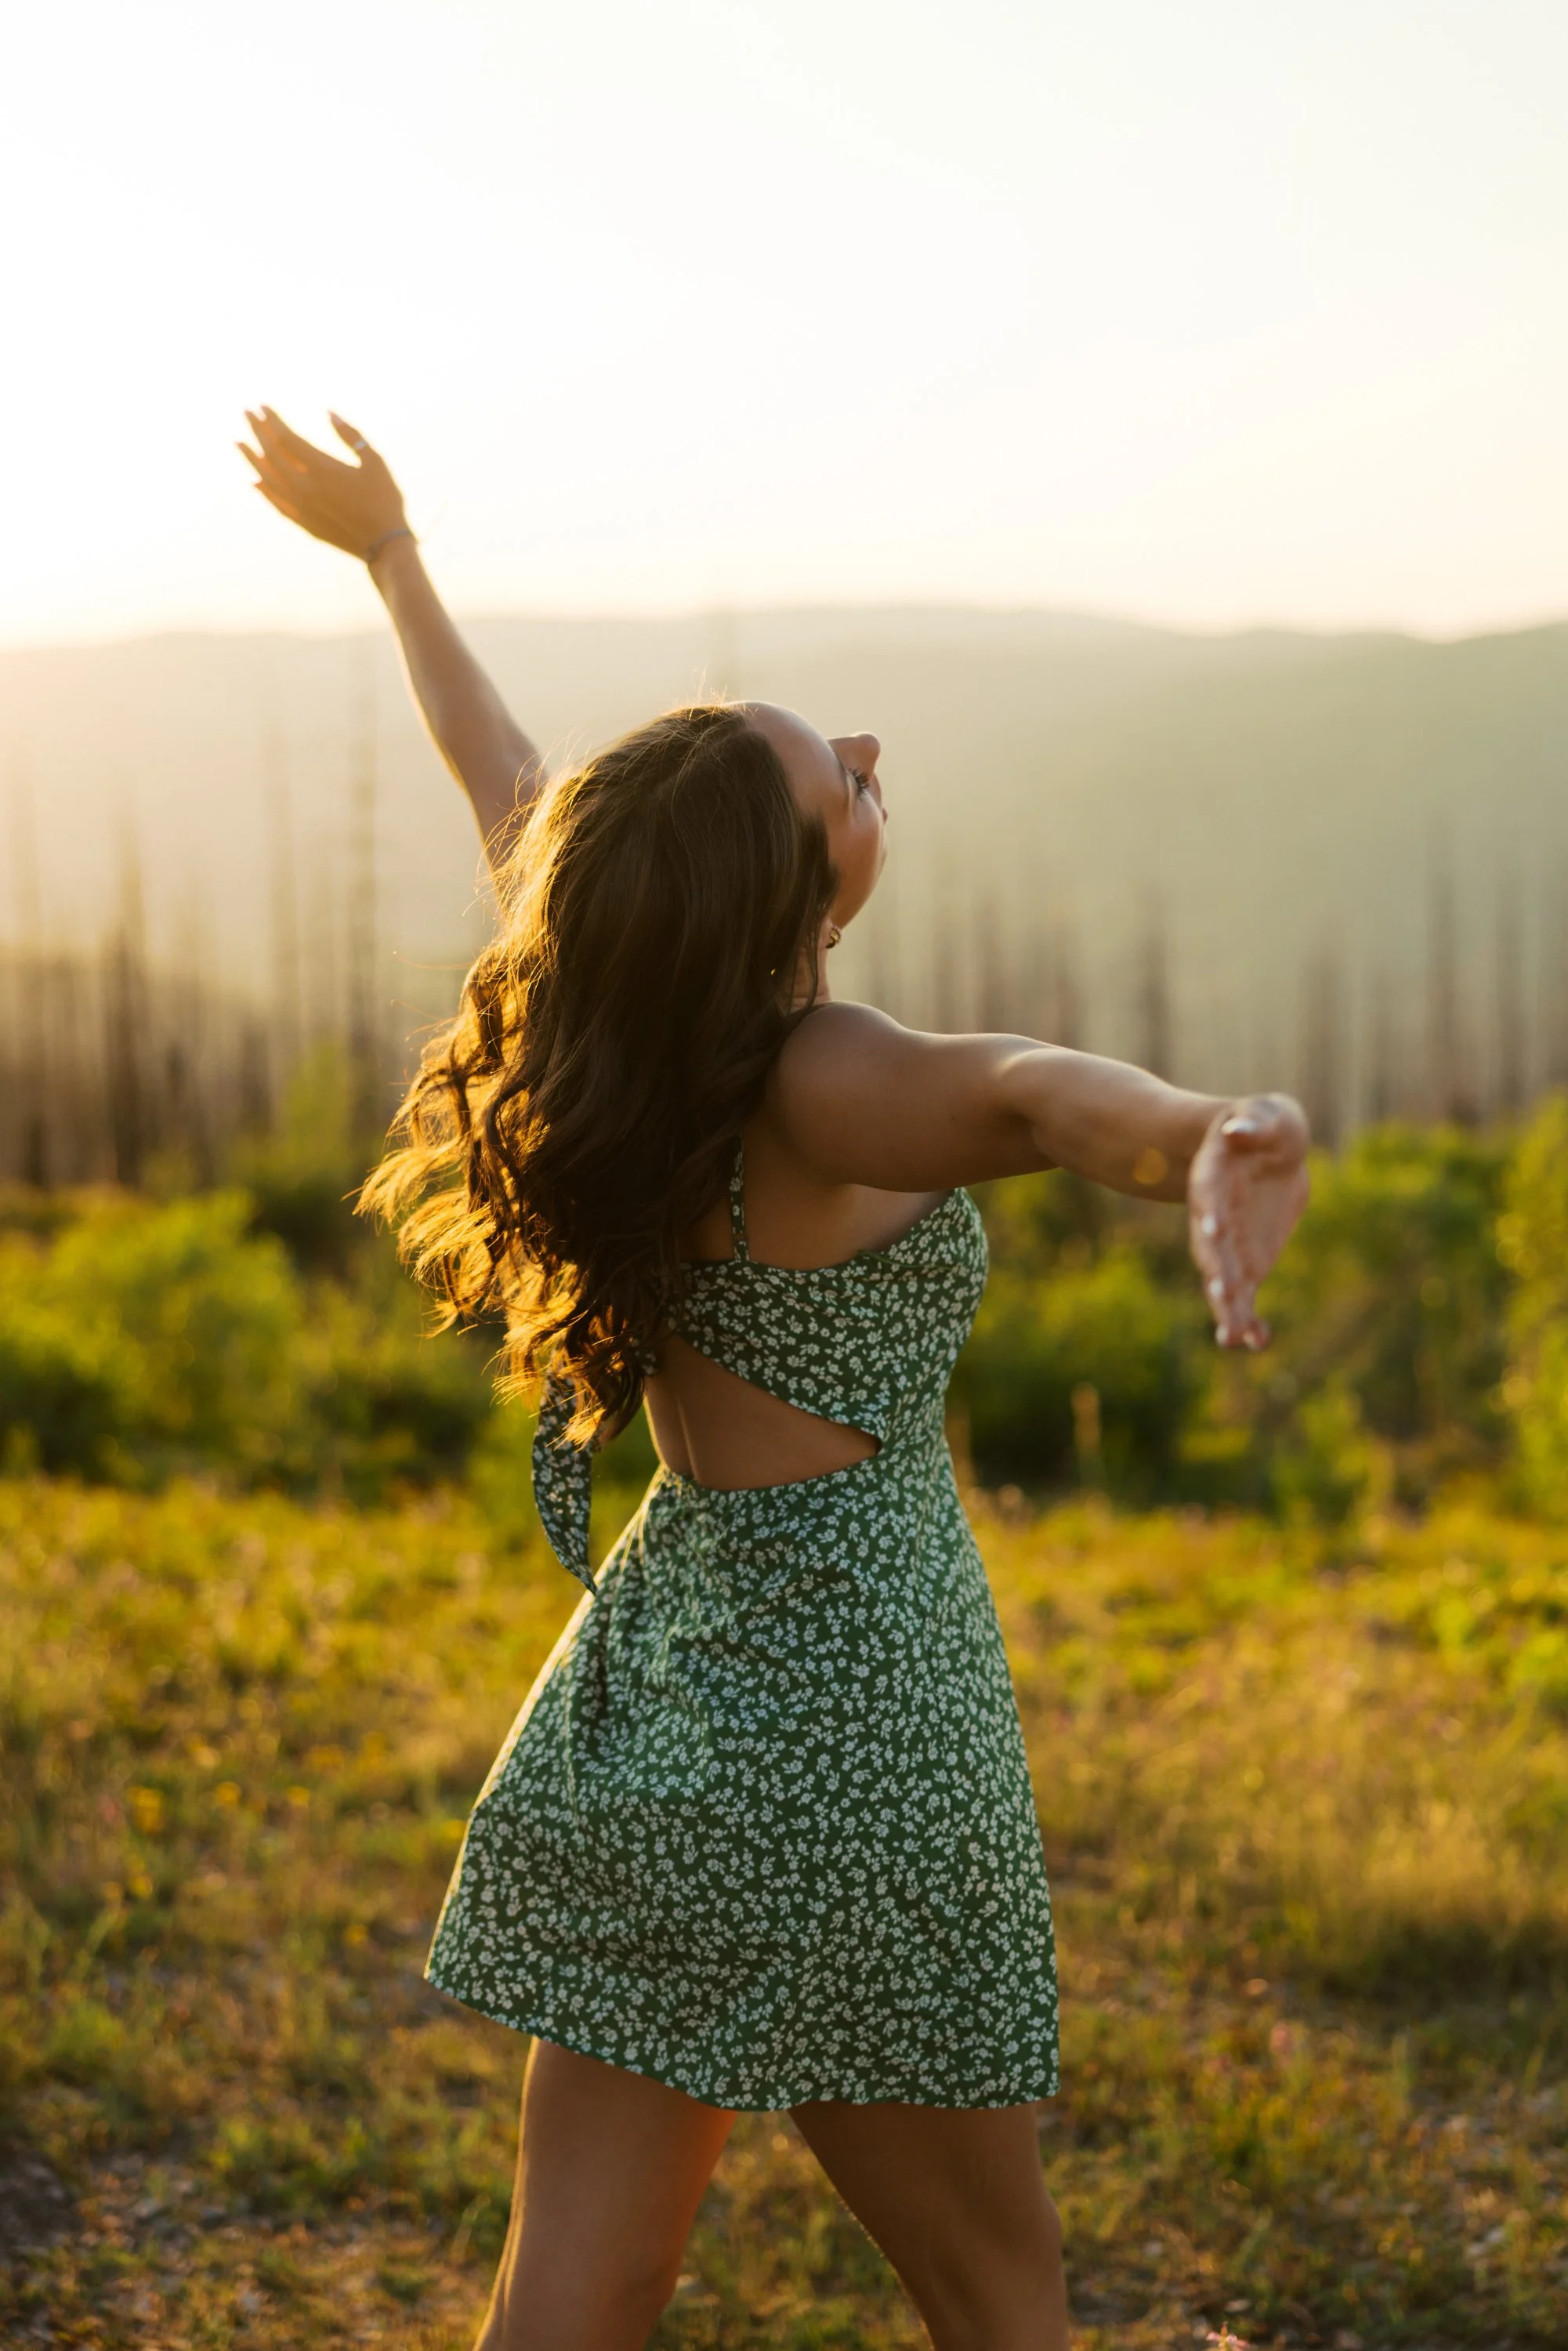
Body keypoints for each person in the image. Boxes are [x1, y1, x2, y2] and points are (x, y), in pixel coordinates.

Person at [239, 407, 1311, 2351]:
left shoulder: (613, 1012)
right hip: (855, 1736)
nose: (874, 764)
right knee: (1000, 2297)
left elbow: (509, 790)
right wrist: (1216, 1127)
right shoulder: (824, 1078)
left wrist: (397, 562)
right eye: (841, 782)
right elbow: (1030, 1094)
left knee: (579, 2281)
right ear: (776, 899)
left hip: (660, 1710)